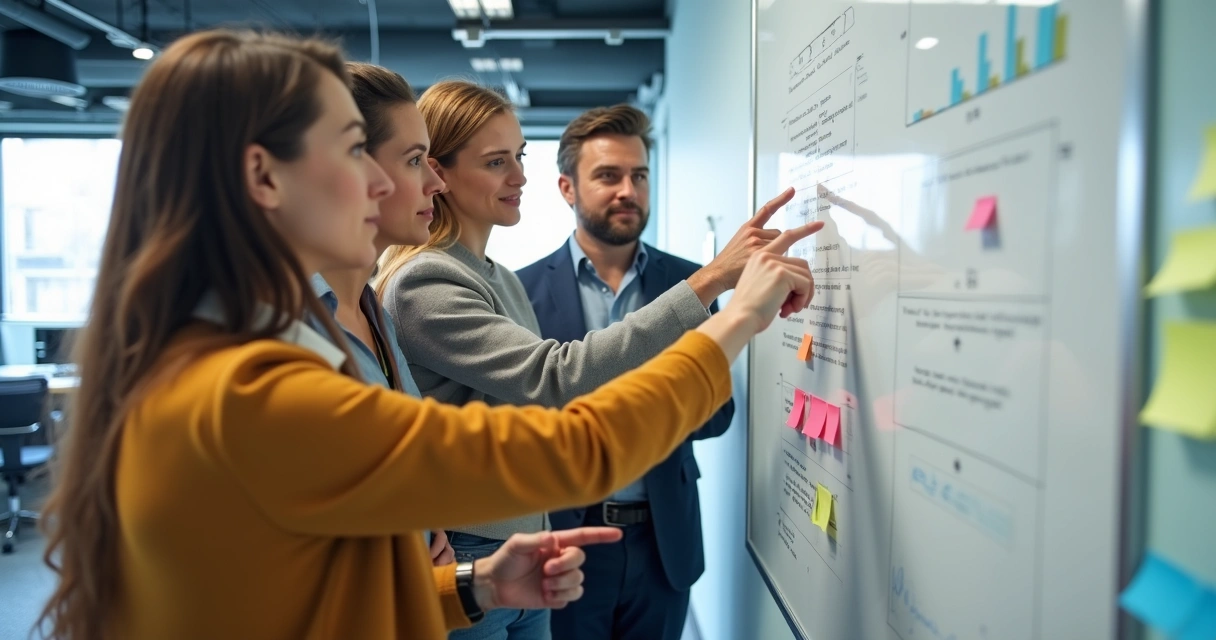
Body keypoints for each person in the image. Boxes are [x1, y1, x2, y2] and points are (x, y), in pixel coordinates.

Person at [34, 30, 818, 640]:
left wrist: (470, 588)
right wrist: (736, 315)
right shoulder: (250, 388)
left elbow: (318, 590)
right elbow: (567, 448)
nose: (387, 184)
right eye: (358, 151)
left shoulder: (229, 356)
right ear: (263, 177)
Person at [375, 80, 822, 639]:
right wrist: (713, 288)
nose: (518, 177)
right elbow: (557, 378)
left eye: (519, 157)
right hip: (484, 548)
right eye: (496, 162)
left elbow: (698, 409)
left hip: (561, 541)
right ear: (438, 174)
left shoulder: (500, 279)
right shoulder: (426, 278)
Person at [515, 104, 726, 640]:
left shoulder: (692, 284)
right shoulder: (522, 292)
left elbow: (718, 412)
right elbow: (518, 413)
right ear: (567, 187)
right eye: (608, 176)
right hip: (562, 539)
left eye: (639, 175)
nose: (627, 190)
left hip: (663, 543)